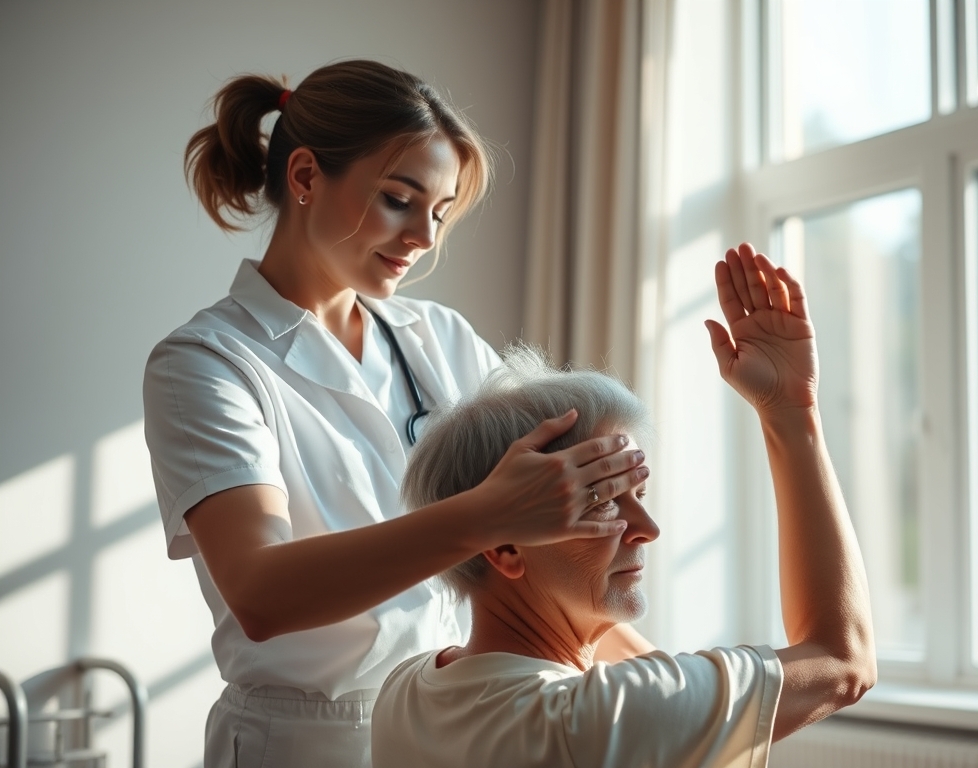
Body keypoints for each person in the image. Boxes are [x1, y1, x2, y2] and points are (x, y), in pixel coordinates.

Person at [143, 60, 651, 768]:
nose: (424, 236)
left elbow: (542, 554)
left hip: (457, 715)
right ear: (305, 178)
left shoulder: (439, 338)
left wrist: (684, 692)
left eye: (439, 212)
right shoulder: (206, 362)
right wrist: (486, 514)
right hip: (306, 740)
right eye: (398, 199)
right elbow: (261, 593)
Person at [371, 243, 877, 768]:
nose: (648, 529)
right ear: (502, 544)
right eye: (603, 501)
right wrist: (792, 413)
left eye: (638, 495)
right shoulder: (598, 717)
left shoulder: (405, 693)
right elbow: (844, 660)